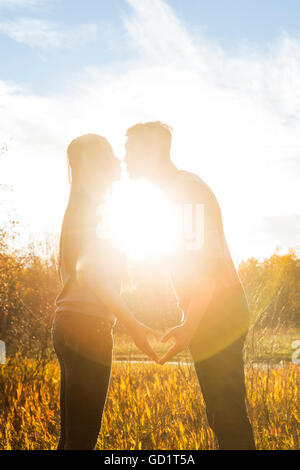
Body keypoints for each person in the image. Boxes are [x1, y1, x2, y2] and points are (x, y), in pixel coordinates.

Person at [124, 122, 256, 450]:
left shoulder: (186, 190)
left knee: (227, 416)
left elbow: (206, 267)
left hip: (218, 314)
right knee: (222, 415)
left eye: (130, 150)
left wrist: (190, 325)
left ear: (151, 153)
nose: (124, 157)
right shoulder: (176, 192)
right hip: (212, 312)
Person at [52, 134, 159, 450]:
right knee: (81, 440)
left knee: (72, 438)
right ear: (94, 165)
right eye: (110, 155)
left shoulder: (81, 208)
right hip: (88, 327)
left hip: (68, 323)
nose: (117, 160)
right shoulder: (97, 211)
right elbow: (94, 279)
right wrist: (135, 326)